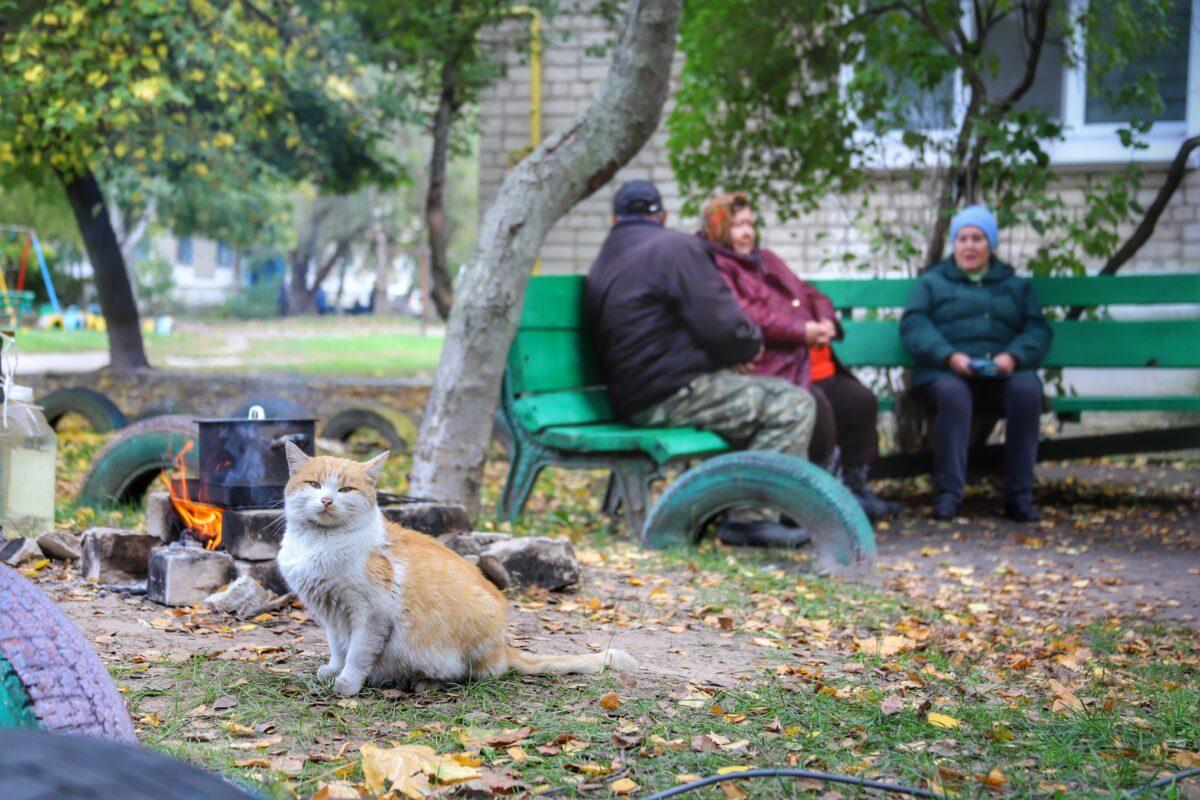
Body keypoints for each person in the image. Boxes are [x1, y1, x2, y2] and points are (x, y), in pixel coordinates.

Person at [585, 180, 818, 545]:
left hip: (635, 393)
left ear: (615, 218)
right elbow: (724, 325)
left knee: (765, 398)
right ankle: (749, 520)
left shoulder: (604, 259)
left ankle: (750, 508)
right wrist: (746, 349)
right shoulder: (674, 247)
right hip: (668, 395)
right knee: (792, 404)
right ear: (662, 216)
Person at [696, 192, 899, 521]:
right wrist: (801, 330)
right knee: (817, 408)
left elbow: (809, 292)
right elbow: (747, 314)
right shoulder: (717, 268)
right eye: (736, 226)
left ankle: (856, 489)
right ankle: (820, 497)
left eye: (750, 224)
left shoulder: (768, 259)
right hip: (773, 369)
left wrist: (825, 320)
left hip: (809, 363)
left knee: (859, 401)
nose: (747, 233)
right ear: (717, 228)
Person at [900, 205, 1052, 522]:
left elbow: (1037, 329)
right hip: (945, 373)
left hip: (1000, 375)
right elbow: (913, 326)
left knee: (1027, 391)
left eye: (978, 238)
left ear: (991, 244)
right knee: (954, 395)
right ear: (954, 244)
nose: (969, 246)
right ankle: (947, 496)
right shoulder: (932, 282)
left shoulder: (1014, 285)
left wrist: (1012, 357)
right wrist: (949, 356)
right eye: (962, 239)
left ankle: (1018, 497)